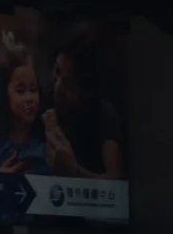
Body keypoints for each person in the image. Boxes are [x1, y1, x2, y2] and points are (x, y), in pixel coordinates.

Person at [46, 35, 125, 180]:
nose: (58, 88)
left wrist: (74, 171)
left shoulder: (103, 114)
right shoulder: (41, 103)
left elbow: (115, 182)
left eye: (69, 85)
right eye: (57, 72)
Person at [0, 41, 49, 174]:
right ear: (4, 95)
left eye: (33, 89)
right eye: (20, 91)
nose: (29, 98)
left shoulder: (48, 147)